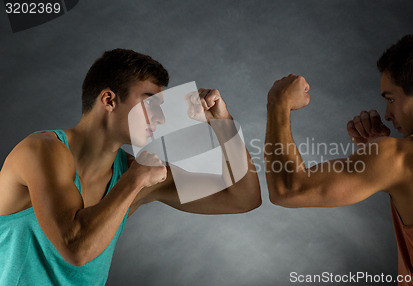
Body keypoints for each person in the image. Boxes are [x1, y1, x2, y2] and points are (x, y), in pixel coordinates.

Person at [0, 49, 261, 285]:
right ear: (109, 100)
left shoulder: (133, 170)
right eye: (150, 104)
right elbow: (76, 249)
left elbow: (244, 198)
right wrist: (133, 182)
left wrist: (222, 123)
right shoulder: (41, 151)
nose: (159, 117)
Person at [265, 33, 413, 285]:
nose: (387, 114)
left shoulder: (403, 156)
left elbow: (287, 188)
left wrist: (278, 104)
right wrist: (380, 151)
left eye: (391, 99)